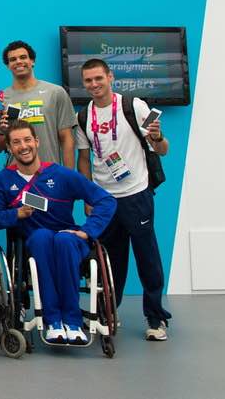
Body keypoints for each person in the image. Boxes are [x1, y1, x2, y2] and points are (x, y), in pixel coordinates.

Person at [0, 120, 116, 344]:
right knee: (41, 237)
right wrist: (15, 214)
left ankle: (73, 322)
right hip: (34, 242)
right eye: (16, 142)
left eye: (27, 140)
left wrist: (88, 231)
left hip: (68, 239)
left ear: (37, 142)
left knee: (63, 240)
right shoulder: (2, 180)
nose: (23, 146)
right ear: (9, 148)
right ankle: (53, 321)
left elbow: (106, 201)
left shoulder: (61, 174)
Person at [74, 58, 172, 341]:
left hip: (136, 193)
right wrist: (89, 195)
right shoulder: (83, 117)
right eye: (88, 80)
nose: (94, 84)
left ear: (110, 77)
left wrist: (157, 137)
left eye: (98, 78)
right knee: (109, 261)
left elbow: (162, 149)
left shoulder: (135, 106)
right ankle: (108, 313)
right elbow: (84, 159)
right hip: (104, 200)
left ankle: (155, 318)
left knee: (147, 258)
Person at [0, 40, 76, 168]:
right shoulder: (1, 99)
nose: (18, 61)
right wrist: (6, 133)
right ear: (8, 66)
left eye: (23, 57)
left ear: (32, 61)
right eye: (13, 59)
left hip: (49, 171)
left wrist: (68, 175)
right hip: (16, 173)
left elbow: (67, 138)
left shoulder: (55, 92)